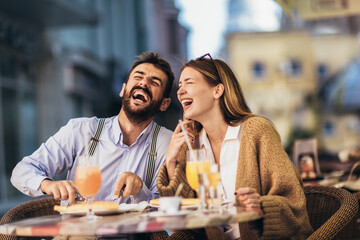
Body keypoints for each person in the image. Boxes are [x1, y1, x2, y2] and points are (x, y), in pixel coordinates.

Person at [156, 54, 313, 239]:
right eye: (179, 86)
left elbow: (293, 200)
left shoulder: (255, 131)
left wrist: (261, 205)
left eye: (189, 83)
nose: (180, 92)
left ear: (217, 91)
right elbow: (181, 218)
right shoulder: (191, 143)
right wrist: (171, 160)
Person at [11, 51, 174, 205]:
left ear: (164, 104)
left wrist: (140, 191)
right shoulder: (81, 130)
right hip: (80, 231)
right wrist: (48, 185)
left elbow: (166, 206)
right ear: (123, 90)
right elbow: (22, 171)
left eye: (154, 82)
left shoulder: (168, 143)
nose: (144, 83)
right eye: (138, 76)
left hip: (132, 234)